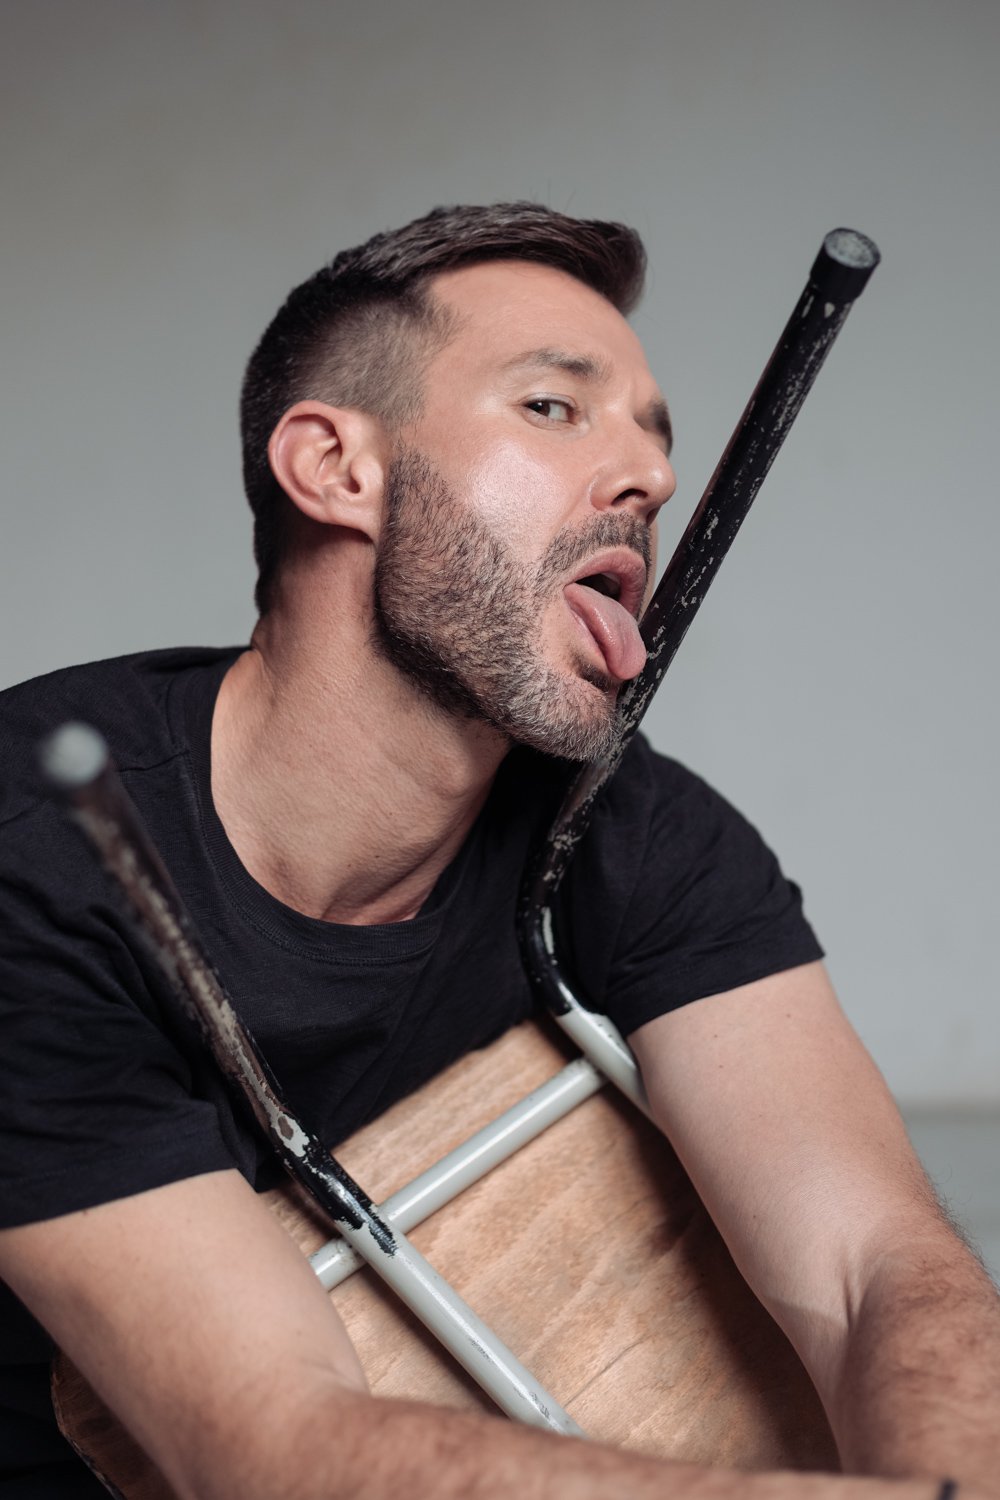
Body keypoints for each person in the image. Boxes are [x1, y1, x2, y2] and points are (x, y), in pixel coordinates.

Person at [0, 203, 996, 1500]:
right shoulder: (39, 853)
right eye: (553, 408)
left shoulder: (630, 828)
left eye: (655, 434)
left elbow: (878, 1269)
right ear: (333, 467)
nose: (648, 477)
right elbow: (272, 1445)